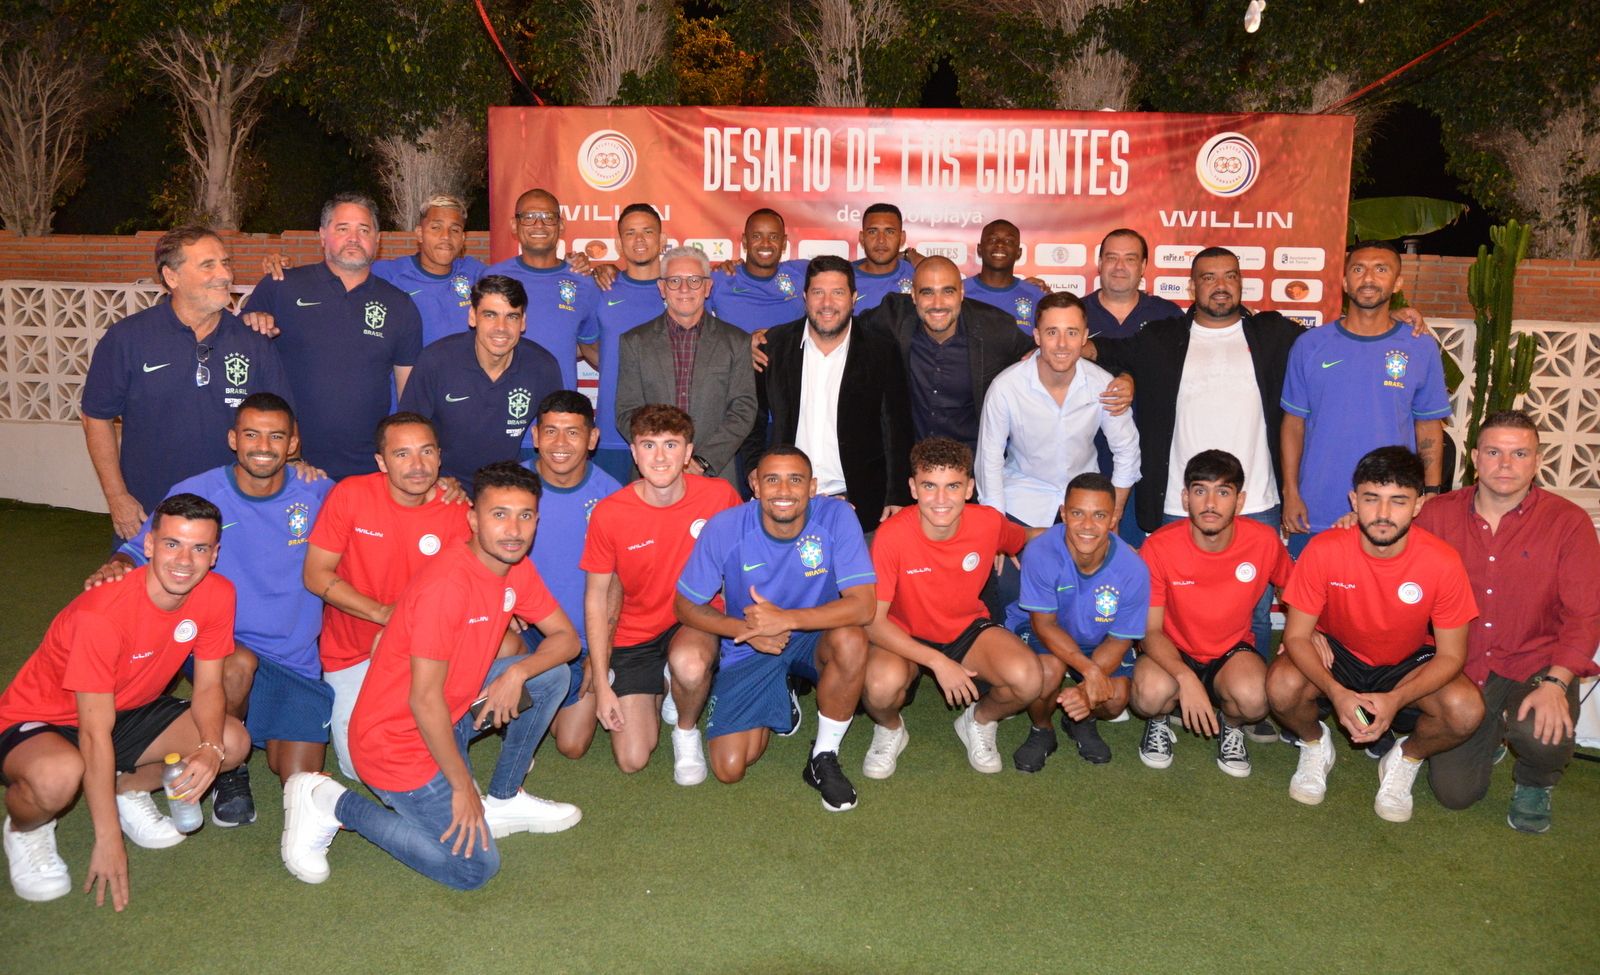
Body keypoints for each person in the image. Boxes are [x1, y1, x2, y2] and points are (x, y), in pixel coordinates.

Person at [280, 462, 583, 890]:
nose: (513, 529)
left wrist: (517, 673)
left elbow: (567, 640)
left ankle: (503, 798)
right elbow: (424, 700)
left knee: (550, 677)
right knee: (473, 868)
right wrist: (461, 785)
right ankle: (330, 802)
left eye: (525, 515)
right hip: (396, 742)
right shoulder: (447, 586)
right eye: (499, 515)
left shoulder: (514, 567)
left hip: (453, 712)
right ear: (473, 520)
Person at [84, 393, 331, 828]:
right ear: (233, 438)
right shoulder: (197, 491)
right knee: (237, 665)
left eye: (276, 436)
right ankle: (228, 768)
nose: (262, 446)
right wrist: (114, 566)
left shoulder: (318, 491)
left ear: (293, 445)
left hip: (297, 659)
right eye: (251, 434)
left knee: (300, 778)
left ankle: (204, 729)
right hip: (224, 651)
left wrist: (441, 487)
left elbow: (380, 508)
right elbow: (140, 549)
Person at [1, 494, 248, 908]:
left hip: (130, 709)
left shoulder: (218, 594)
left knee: (232, 742)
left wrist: (209, 747)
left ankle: (126, 788)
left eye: (199, 548)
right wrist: (109, 837)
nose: (184, 561)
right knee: (60, 776)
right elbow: (95, 733)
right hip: (43, 717)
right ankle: (25, 829)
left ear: (215, 554)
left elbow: (208, 688)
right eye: (172, 544)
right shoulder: (102, 615)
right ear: (149, 545)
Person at [1087, 247, 1300, 713]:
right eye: (1208, 277)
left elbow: (1336, 339)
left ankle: (1238, 710)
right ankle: (1169, 698)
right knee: (1166, 609)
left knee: (1256, 611)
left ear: (1242, 282)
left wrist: (1404, 317)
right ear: (1192, 287)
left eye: (1229, 276)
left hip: (1256, 498)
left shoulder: (1272, 333)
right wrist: (1073, 342)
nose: (1219, 285)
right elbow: (1110, 348)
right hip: (1176, 501)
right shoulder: (1162, 337)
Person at [1268, 447, 1483, 823]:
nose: (1383, 514)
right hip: (1341, 655)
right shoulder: (1325, 549)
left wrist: (1395, 699)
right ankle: (1316, 743)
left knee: (1465, 711)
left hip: (1407, 661)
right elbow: (1298, 636)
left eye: (1398, 501)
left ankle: (1405, 757)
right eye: (1372, 499)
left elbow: (1451, 656)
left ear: (1417, 505)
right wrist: (1337, 693)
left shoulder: (1442, 561)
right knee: (1281, 686)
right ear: (1354, 500)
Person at [1416, 411, 1600, 832]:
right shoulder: (1437, 516)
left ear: (1536, 461)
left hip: (1532, 664)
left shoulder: (1568, 523)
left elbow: (1584, 615)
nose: (1505, 464)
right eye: (1494, 452)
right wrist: (1355, 523)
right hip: (1461, 663)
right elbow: (1392, 563)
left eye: (1519, 453)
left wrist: (1556, 684)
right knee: (1454, 795)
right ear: (1475, 458)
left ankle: (1536, 781)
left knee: (1540, 731)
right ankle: (1490, 735)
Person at [674, 447, 874, 810]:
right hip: (753, 642)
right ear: (755, 485)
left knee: (852, 639)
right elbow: (685, 604)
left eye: (795, 479)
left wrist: (788, 619)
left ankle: (823, 756)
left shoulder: (837, 518)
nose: (784, 490)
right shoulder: (726, 527)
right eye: (772, 479)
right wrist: (744, 628)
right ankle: (783, 690)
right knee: (730, 767)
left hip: (816, 636)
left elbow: (863, 605)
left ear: (812, 487)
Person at [81, 226, 292, 539]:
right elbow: (95, 417)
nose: (224, 274)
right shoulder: (128, 338)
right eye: (208, 265)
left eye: (225, 263)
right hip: (151, 511)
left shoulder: (254, 342)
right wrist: (117, 498)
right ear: (171, 277)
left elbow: (283, 424)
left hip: (233, 513)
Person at [860, 437, 1044, 778]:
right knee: (879, 686)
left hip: (965, 629)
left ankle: (978, 721)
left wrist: (1092, 538)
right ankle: (890, 729)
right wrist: (937, 662)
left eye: (953, 486)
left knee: (1029, 679)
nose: (941, 499)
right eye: (930, 486)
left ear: (969, 488)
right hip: (904, 631)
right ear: (913, 488)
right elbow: (873, 622)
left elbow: (1028, 536)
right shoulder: (891, 535)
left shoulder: (988, 522)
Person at [302, 412, 470, 779]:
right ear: (381, 462)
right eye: (402, 454)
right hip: (354, 654)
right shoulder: (350, 494)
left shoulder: (457, 509)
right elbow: (315, 575)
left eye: (426, 452)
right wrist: (383, 615)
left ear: (440, 457)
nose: (417, 466)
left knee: (505, 645)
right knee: (359, 768)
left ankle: (456, 722)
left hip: (425, 650)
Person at [580, 405, 741, 783]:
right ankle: (663, 682)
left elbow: (754, 548)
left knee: (690, 663)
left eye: (671, 445)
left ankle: (686, 730)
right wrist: (603, 685)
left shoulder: (719, 496)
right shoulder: (610, 512)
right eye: (648, 445)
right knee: (632, 758)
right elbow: (595, 598)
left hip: (694, 619)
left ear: (688, 453)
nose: (660, 456)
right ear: (634, 453)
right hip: (635, 633)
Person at [1280, 240, 1452, 555]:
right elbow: (1293, 424)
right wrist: (1290, 491)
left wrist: (1429, 495)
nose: (1369, 278)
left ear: (1397, 282)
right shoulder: (1310, 345)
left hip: (1391, 511)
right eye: (1358, 269)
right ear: (1345, 282)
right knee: (1307, 604)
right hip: (1317, 507)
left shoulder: (1420, 347)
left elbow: (1428, 428)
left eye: (1381, 269)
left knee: (1381, 603)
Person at [1130, 450, 1293, 777]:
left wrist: (1299, 637)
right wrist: (1185, 676)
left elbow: (1297, 592)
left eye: (1223, 492)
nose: (1210, 503)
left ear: (1240, 500)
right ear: (1185, 498)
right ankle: (1160, 721)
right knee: (1148, 695)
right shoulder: (1159, 547)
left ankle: (1230, 725)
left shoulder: (1263, 541)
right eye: (1200, 490)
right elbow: (1150, 631)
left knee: (1256, 699)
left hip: (1230, 651)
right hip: (1173, 648)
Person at [241, 193, 424, 478]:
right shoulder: (281, 287)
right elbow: (238, 352)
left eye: (364, 230)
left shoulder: (400, 305)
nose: (354, 238)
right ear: (323, 235)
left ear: (378, 239)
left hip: (367, 469)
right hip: (287, 465)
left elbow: (408, 396)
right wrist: (250, 320)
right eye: (343, 228)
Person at [760, 255, 913, 537]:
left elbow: (897, 427)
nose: (827, 303)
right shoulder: (774, 345)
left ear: (854, 298)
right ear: (805, 297)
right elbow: (754, 420)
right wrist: (753, 469)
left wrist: (897, 495)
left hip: (860, 506)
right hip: (786, 501)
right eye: (818, 292)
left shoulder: (881, 349)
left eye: (838, 293)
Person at [1005, 474, 1148, 771]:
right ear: (1063, 513)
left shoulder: (1132, 568)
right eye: (1077, 513)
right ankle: (1042, 730)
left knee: (1116, 698)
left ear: (1113, 518)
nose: (1087, 525)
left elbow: (1120, 639)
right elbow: (1044, 625)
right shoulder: (1041, 551)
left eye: (1099, 515)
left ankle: (1083, 721)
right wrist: (1089, 672)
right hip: (1049, 632)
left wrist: (1086, 691)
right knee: (1045, 675)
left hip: (1099, 638)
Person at [976, 291, 1139, 530]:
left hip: (1085, 508)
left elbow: (1127, 449)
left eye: (1071, 333)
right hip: (1021, 507)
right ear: (1037, 336)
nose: (1062, 344)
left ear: (1084, 337)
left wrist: (1114, 512)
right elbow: (989, 460)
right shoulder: (1006, 388)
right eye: (1052, 332)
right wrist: (997, 528)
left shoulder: (1103, 384)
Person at [522, 391, 623, 760]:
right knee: (500, 641)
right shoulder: (511, 486)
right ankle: (525, 706)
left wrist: (600, 654)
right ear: (534, 436)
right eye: (550, 432)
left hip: (583, 638)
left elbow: (616, 585)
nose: (560, 444)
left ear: (593, 439)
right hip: (524, 631)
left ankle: (549, 693)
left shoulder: (612, 497)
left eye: (573, 433)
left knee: (572, 744)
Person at [398, 275, 562, 494]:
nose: (501, 328)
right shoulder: (436, 360)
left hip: (506, 488)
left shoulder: (542, 367)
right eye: (490, 315)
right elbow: (406, 429)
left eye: (511, 316)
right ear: (473, 317)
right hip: (444, 487)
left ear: (523, 322)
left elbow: (558, 430)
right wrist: (435, 479)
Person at [614, 246, 758, 491]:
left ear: (707, 287)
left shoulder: (736, 342)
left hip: (714, 475)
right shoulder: (634, 341)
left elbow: (743, 409)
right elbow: (627, 412)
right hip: (652, 475)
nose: (684, 289)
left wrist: (701, 461)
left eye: (694, 280)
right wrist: (664, 456)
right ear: (661, 288)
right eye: (674, 281)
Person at [863, 256, 1037, 453]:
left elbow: (1040, 350)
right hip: (910, 465)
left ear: (962, 293)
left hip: (972, 465)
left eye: (948, 291)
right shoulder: (894, 317)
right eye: (927, 292)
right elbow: (849, 328)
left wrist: (1038, 353)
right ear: (913, 295)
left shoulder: (995, 327)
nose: (938, 304)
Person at [484, 187, 601, 390]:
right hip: (500, 408)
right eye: (529, 217)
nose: (539, 224)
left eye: (548, 216)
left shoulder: (583, 283)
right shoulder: (492, 278)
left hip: (557, 411)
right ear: (514, 225)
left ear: (561, 225)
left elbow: (589, 346)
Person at [591, 203, 669, 483]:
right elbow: (587, 344)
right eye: (630, 233)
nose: (639, 240)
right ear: (618, 242)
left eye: (648, 232)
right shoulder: (601, 289)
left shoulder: (681, 291)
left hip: (668, 436)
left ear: (662, 240)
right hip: (612, 434)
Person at [368, 194, 487, 347]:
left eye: (455, 230)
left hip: (463, 370)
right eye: (436, 227)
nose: (446, 236)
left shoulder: (475, 272)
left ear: (463, 239)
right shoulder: (388, 274)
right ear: (419, 234)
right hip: (411, 370)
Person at [706, 208, 810, 333]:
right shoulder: (719, 279)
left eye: (773, 236)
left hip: (789, 353)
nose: (766, 243)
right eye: (756, 236)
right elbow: (698, 330)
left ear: (783, 243)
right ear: (745, 241)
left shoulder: (803, 272)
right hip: (736, 353)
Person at [1081, 229, 1181, 340]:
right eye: (1112, 258)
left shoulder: (1168, 315)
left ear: (1143, 266)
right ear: (1100, 263)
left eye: (1130, 259)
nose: (1119, 266)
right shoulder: (1074, 313)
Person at [963, 219, 1046, 333]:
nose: (1000, 244)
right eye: (992, 239)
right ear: (980, 249)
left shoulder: (1036, 296)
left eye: (1008, 241)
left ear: (1019, 252)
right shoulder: (960, 292)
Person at [852, 203, 917, 313]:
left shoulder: (916, 275)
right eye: (873, 232)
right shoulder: (844, 278)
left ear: (902, 238)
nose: (881, 240)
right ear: (862, 238)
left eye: (889, 232)